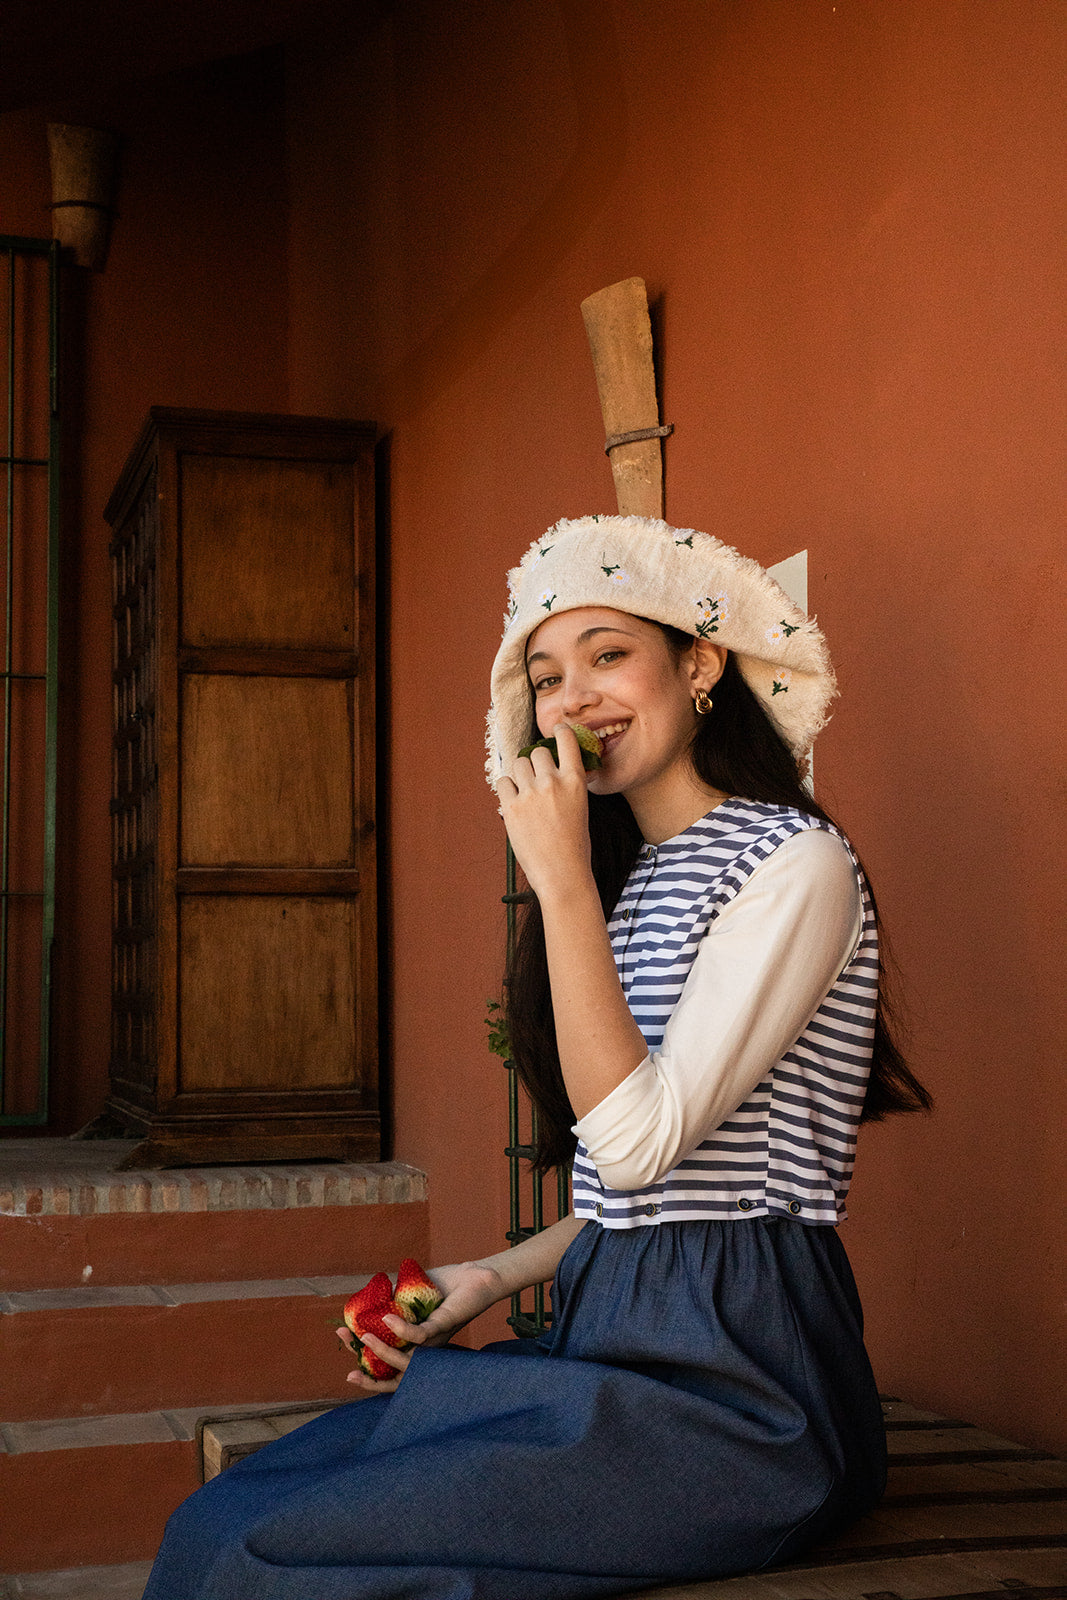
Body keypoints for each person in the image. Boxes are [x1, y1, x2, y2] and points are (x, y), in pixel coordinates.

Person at [142, 514, 930, 1600]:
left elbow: (640, 1148)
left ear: (698, 664)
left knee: (277, 1563)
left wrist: (557, 881)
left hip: (742, 1391)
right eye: (547, 677)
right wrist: (488, 1275)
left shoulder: (791, 861)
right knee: (226, 1517)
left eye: (609, 655)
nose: (574, 699)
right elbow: (644, 1198)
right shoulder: (631, 880)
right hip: (610, 1344)